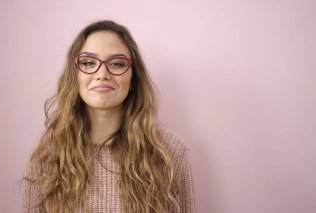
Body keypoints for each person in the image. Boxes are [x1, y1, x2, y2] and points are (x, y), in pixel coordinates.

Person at [22, 20, 195, 213]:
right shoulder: (46, 157)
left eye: (117, 63)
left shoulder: (169, 153)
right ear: (75, 76)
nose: (102, 74)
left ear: (132, 79)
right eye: (88, 63)